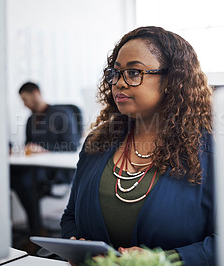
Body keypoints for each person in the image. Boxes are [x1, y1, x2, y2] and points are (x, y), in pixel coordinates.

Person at [60, 26, 215, 265]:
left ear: (171, 81)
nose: (119, 83)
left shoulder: (211, 152)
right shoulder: (97, 143)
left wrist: (164, 260)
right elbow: (70, 216)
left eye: (134, 72)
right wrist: (74, 243)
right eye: (116, 73)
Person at [11, 82, 81, 242]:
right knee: (12, 177)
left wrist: (44, 149)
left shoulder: (61, 114)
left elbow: (71, 145)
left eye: (25, 99)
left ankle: (35, 231)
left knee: (25, 182)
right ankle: (34, 229)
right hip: (34, 169)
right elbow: (29, 146)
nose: (24, 104)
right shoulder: (31, 120)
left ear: (36, 93)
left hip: (54, 171)